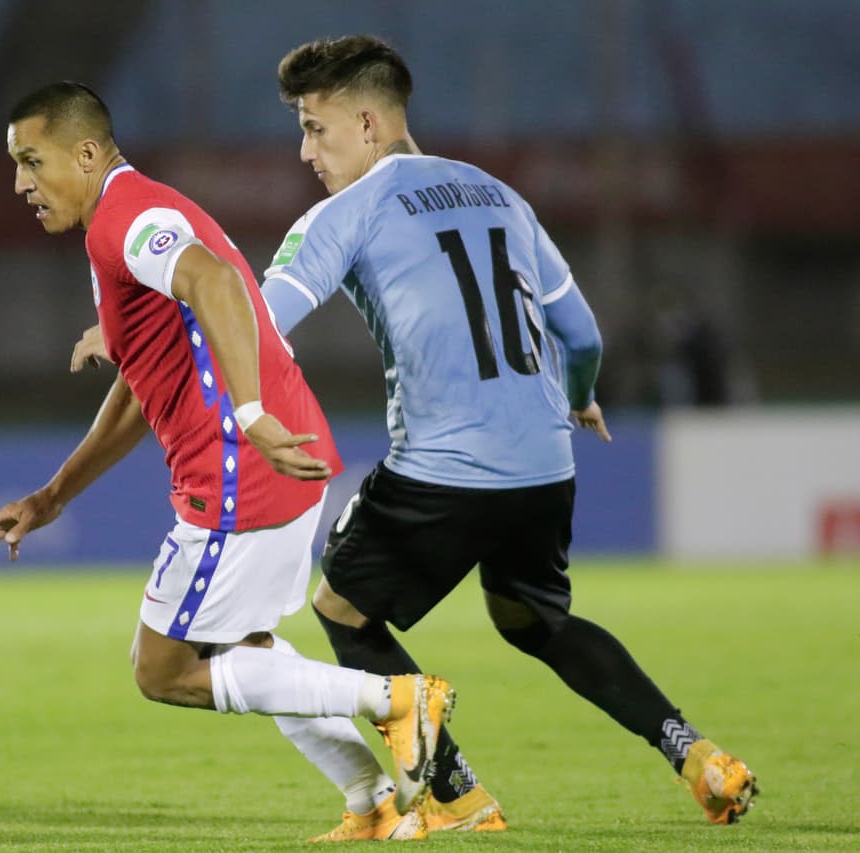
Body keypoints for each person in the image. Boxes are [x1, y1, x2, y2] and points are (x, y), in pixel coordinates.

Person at [73, 36, 759, 833]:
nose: (305, 151)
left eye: (315, 128)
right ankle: (694, 751)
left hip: (445, 470)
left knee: (341, 606)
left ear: (367, 124)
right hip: (545, 467)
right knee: (537, 621)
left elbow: (256, 327)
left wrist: (127, 328)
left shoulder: (343, 215)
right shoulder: (503, 195)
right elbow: (583, 337)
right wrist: (579, 401)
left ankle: (454, 790)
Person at [0, 81, 454, 843]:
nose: (21, 182)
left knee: (160, 669)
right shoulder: (120, 222)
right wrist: (53, 495)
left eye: (32, 160)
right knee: (241, 648)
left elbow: (218, 280)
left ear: (87, 153)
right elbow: (140, 388)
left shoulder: (129, 218)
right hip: (272, 463)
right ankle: (372, 801)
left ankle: (396, 700)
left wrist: (250, 414)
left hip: (243, 471)